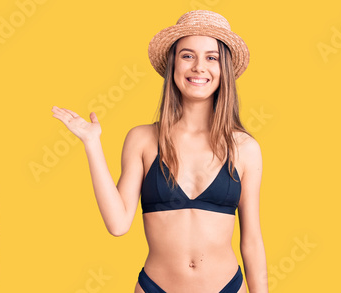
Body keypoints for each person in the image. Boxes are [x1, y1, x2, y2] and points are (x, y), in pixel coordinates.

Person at [52, 10, 267, 293]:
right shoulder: (142, 139)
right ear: (173, 65)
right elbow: (118, 224)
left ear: (223, 69)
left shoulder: (244, 148)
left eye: (211, 57)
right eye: (188, 55)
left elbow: (251, 239)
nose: (199, 67)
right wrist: (92, 144)